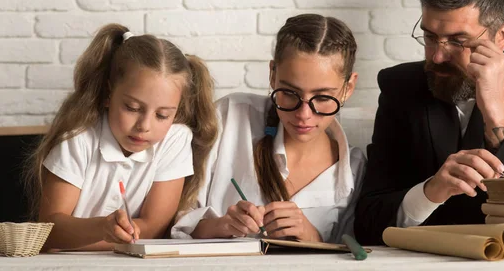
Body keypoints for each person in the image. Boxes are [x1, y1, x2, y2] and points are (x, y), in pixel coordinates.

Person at [354, 0, 504, 245]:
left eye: (457, 41)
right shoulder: (400, 87)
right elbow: (368, 222)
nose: (437, 56)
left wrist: (497, 111)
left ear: (502, 35)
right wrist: (429, 192)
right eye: (429, 37)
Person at [172, 14, 366, 243]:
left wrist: (312, 237)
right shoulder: (231, 116)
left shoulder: (353, 168)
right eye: (290, 93)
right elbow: (175, 225)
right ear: (273, 74)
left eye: (323, 97)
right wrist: (221, 225)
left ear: (348, 87)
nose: (303, 115)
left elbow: (353, 251)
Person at [26, 24, 217, 250]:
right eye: (132, 108)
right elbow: (49, 231)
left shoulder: (175, 139)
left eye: (162, 115)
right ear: (108, 95)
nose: (144, 126)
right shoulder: (78, 139)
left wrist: (84, 239)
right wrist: (102, 229)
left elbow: (154, 228)